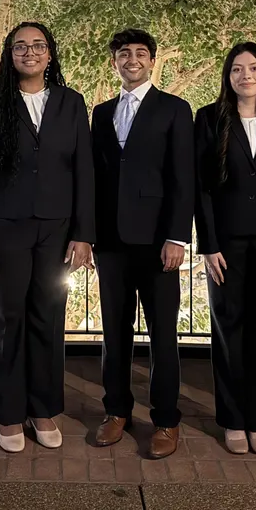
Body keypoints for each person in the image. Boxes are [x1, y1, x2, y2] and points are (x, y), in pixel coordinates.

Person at [0, 22, 95, 453]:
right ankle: (8, 414)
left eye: (38, 46)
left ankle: (42, 409)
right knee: (6, 320)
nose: (30, 52)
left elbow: (85, 171)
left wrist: (83, 234)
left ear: (50, 54)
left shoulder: (71, 103)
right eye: (21, 46)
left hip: (56, 231)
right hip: (3, 229)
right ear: (9, 54)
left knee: (47, 320)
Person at [89, 29, 194, 460]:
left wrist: (176, 237)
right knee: (114, 334)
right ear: (114, 61)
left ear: (152, 61)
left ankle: (166, 419)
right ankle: (117, 412)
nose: (132, 59)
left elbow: (182, 178)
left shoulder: (174, 109)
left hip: (157, 244)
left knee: (163, 336)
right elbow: (94, 178)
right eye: (124, 54)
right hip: (110, 242)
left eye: (141, 54)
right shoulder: (100, 112)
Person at [194, 42, 256, 455]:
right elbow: (202, 188)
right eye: (237, 69)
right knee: (227, 330)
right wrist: (209, 245)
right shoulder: (209, 118)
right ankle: (233, 420)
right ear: (228, 76)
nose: (246, 76)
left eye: (254, 68)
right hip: (226, 245)